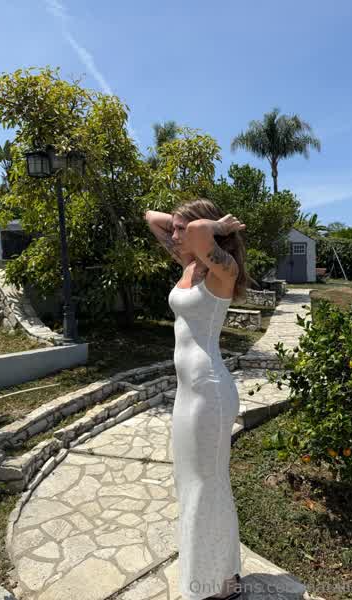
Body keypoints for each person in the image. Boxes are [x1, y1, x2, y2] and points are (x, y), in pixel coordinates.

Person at [145, 198, 253, 600]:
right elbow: (150, 218)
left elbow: (195, 231)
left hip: (210, 391)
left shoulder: (223, 271)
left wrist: (213, 226)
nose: (174, 235)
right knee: (190, 483)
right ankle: (211, 575)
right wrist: (196, 226)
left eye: (182, 229)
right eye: (175, 229)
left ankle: (220, 584)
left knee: (209, 484)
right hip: (187, 394)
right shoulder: (189, 262)